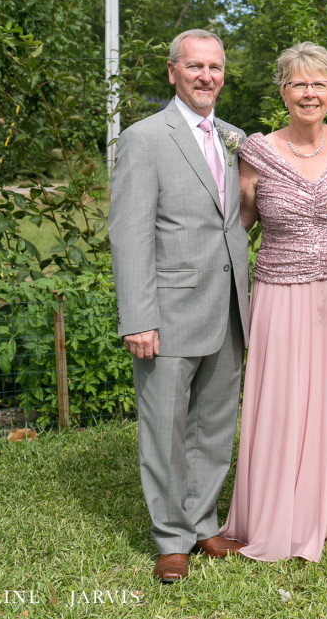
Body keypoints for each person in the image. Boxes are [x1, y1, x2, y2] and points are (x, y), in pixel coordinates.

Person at [109, 29, 250, 583]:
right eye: (194, 66)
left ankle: (202, 521)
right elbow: (129, 234)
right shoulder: (144, 138)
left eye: (214, 67)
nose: (205, 76)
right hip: (167, 312)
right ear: (173, 72)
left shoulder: (234, 138)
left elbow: (233, 220)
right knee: (165, 430)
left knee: (214, 424)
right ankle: (171, 539)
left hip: (228, 307)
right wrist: (138, 317)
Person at [219, 43, 327, 562]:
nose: (309, 93)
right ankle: (272, 514)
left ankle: (325, 514)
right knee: (280, 403)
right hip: (278, 294)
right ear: (282, 92)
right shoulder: (256, 152)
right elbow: (236, 226)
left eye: (319, 83)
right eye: (298, 83)